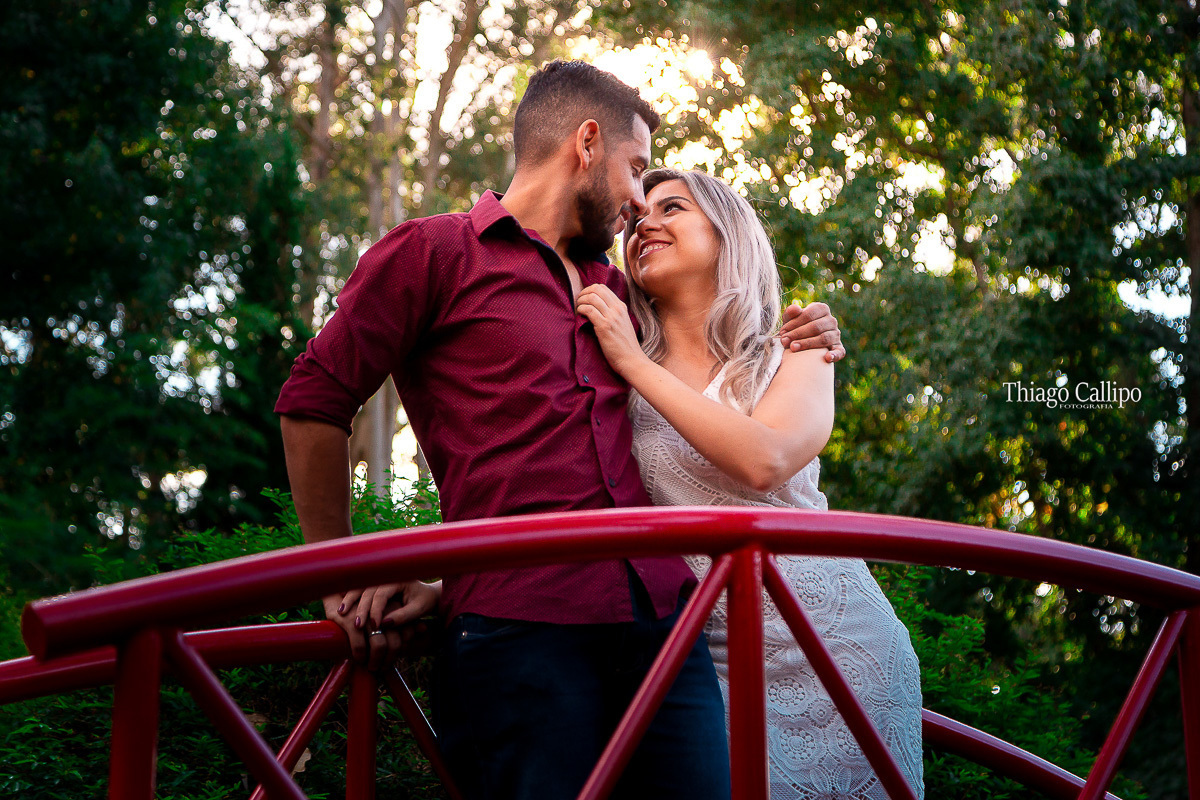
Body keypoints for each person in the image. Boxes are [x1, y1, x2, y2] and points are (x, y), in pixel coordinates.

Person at [275, 61, 844, 799]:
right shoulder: (434, 253)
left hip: (667, 627)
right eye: (637, 170)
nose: (639, 202)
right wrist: (339, 576)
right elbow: (314, 397)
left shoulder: (619, 296)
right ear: (586, 142)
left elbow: (715, 342)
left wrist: (813, 328)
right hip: (518, 631)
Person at [575, 168, 924, 799]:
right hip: (703, 659)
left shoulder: (794, 351)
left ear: (726, 231)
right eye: (634, 219)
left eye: (672, 207)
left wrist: (631, 361)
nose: (643, 224)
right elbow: (576, 503)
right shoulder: (608, 368)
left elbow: (767, 459)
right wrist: (448, 588)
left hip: (836, 646)